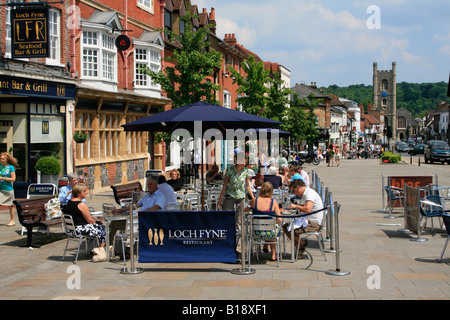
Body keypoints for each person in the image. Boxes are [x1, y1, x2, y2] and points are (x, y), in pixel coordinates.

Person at [218, 149, 255, 254]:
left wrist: (253, 198)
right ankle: (227, 243)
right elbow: (225, 185)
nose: (244, 162)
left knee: (239, 221)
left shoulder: (246, 171)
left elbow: (247, 186)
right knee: (227, 218)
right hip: (230, 195)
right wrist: (220, 198)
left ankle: (237, 247)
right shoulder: (230, 170)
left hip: (241, 197)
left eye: (245, 160)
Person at [283, 178, 324, 258]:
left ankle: (300, 246)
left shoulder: (309, 194)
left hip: (314, 223)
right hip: (309, 220)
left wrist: (296, 206)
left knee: (290, 229)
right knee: (285, 227)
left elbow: (308, 209)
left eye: (294, 191)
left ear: (298, 187)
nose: (295, 193)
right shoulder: (306, 194)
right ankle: (300, 246)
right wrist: (296, 207)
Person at [246, 182, 282, 261]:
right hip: (269, 232)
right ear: (271, 191)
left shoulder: (255, 200)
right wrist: (272, 223)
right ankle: (273, 254)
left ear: (261, 190)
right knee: (272, 230)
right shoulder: (273, 202)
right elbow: (279, 219)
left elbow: (245, 210)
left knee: (266, 228)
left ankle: (265, 246)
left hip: (256, 232)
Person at [0, 153, 18, 227]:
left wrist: (3, 178)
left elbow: (13, 179)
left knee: (10, 205)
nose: (1, 160)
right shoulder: (0, 166)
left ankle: (12, 220)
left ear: (7, 159)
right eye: (0, 159)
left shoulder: (11, 167)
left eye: (3, 159)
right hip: (0, 189)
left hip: (8, 190)